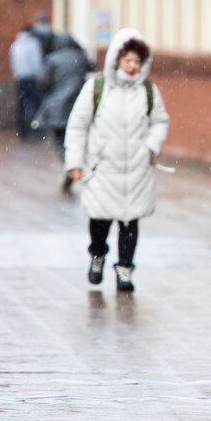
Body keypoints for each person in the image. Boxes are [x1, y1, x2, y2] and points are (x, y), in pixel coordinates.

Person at [64, 28, 170, 292]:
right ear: (116, 60)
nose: (132, 66)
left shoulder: (148, 91)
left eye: (137, 61)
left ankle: (125, 269)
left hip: (137, 170)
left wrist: (150, 148)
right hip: (103, 168)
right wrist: (75, 163)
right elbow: (78, 125)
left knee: (130, 221)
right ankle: (98, 255)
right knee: (100, 219)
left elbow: (160, 121)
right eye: (127, 60)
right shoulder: (96, 88)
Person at [32, 32, 92, 193]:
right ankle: (75, 165)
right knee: (77, 137)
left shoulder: (53, 59)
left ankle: (70, 165)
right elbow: (91, 66)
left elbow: (42, 81)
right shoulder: (79, 57)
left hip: (58, 106)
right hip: (77, 103)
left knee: (60, 140)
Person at [9, 25, 45, 140]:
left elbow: (13, 62)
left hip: (20, 78)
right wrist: (40, 76)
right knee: (35, 103)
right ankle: (35, 128)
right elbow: (36, 62)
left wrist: (17, 74)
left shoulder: (16, 44)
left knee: (21, 104)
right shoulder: (33, 44)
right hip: (31, 78)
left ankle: (22, 129)